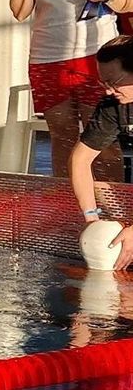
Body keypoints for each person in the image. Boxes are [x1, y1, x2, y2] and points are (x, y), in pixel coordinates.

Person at [10, 0, 123, 180]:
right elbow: (18, 11)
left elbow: (126, 1)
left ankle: (117, 207)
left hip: (94, 54)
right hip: (47, 55)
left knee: (102, 137)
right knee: (61, 135)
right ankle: (68, 205)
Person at [70, 35, 133, 270]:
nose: (108, 91)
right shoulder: (113, 105)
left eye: (114, 81)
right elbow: (80, 160)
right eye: (103, 83)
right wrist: (91, 217)